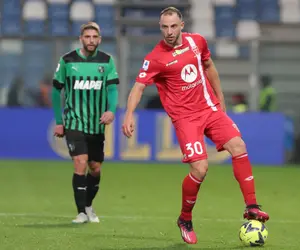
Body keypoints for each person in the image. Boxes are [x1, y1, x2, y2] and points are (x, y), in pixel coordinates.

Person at [121, 7, 269, 245]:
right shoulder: (155, 58)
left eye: (173, 26)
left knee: (238, 146)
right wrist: (129, 114)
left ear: (182, 24)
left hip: (209, 109)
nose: (169, 32)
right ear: (160, 28)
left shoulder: (197, 42)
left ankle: (251, 206)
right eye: (164, 27)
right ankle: (185, 219)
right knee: (200, 169)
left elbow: (209, 67)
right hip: (185, 118)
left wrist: (220, 99)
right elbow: (138, 87)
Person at [52, 22, 119, 223]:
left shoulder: (107, 61)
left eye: (94, 37)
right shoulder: (67, 61)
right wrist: (59, 120)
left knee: (95, 167)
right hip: (74, 121)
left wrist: (111, 110)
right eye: (87, 37)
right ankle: (81, 212)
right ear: (81, 38)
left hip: (96, 123)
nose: (91, 40)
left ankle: (88, 205)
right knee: (80, 162)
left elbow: (113, 89)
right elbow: (56, 90)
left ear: (99, 39)